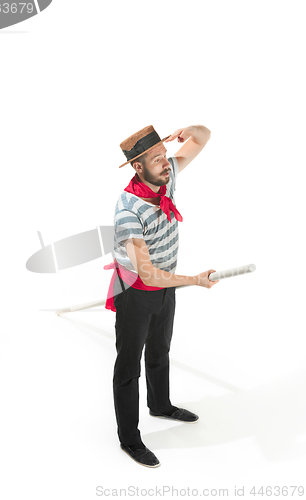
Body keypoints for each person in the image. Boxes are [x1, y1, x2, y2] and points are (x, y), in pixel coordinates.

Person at [104, 125, 219, 468]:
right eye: (156, 159)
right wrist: (194, 280)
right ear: (138, 167)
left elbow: (203, 138)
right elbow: (147, 274)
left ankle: (161, 405)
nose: (166, 163)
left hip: (165, 285)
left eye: (164, 155)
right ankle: (130, 439)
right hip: (136, 293)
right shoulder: (128, 210)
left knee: (159, 349)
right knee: (128, 367)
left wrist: (185, 131)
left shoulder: (166, 177)